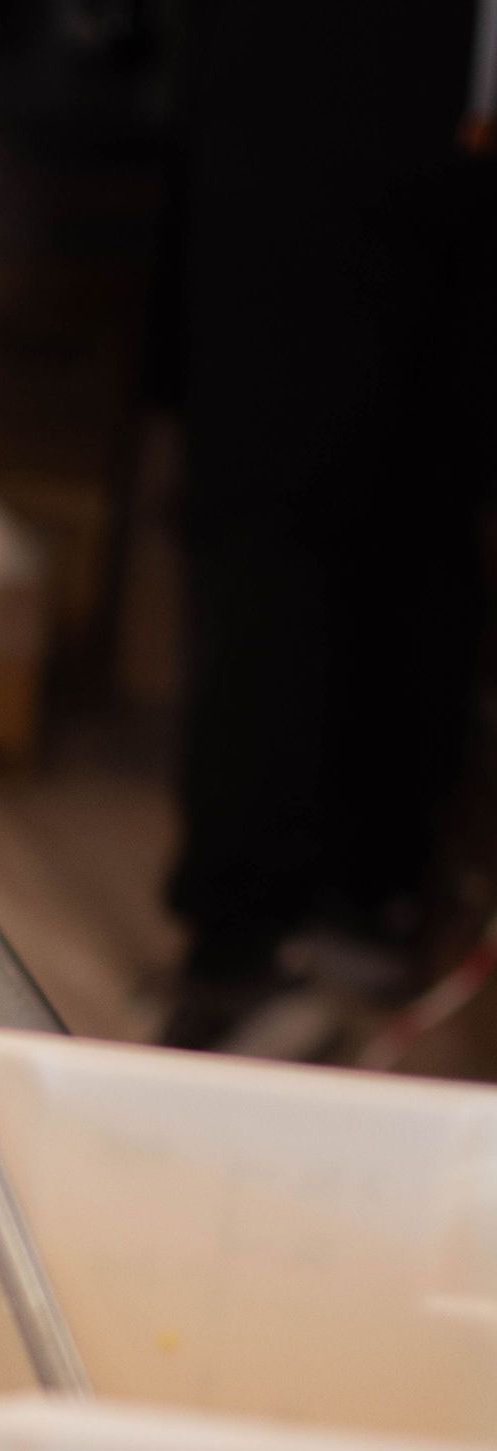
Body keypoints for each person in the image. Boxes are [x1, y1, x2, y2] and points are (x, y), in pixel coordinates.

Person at [162, 0, 497, 1052]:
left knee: (429, 508)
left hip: (444, 128)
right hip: (317, 84)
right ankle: (247, 938)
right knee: (276, 509)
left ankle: (367, 901)